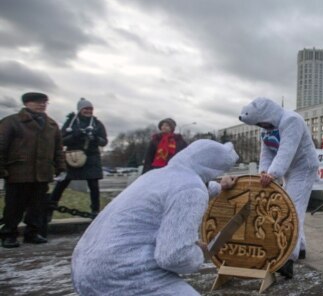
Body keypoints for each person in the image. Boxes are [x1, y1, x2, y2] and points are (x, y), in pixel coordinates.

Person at [71, 140, 239, 295]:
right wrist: (200, 253)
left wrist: (219, 187)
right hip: (120, 274)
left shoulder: (155, 176)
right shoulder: (191, 189)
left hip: (84, 266)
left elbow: (179, 191)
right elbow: (174, 257)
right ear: (214, 169)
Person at [238, 97, 319, 279]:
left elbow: (286, 151)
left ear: (268, 114)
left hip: (304, 168)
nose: (262, 126)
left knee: (291, 209)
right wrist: (264, 172)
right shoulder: (267, 129)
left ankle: (287, 258)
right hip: (290, 169)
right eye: (259, 124)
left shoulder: (291, 120)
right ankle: (301, 247)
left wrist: (273, 173)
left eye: (262, 122)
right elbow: (266, 152)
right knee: (292, 206)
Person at [0, 92, 65, 248]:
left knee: (37, 206)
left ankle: (32, 233)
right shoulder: (11, 122)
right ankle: (9, 234)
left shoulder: (51, 125)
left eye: (44, 102)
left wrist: (60, 167)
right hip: (18, 172)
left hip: (42, 173)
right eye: (37, 102)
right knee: (14, 206)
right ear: (27, 103)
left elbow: (58, 149)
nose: (42, 105)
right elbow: (1, 146)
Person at [50, 98, 108, 219]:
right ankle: (50, 207)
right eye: (86, 109)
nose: (88, 111)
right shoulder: (70, 122)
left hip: (91, 156)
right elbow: (62, 140)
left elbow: (104, 141)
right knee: (62, 183)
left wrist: (95, 139)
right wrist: (76, 135)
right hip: (73, 155)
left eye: (90, 109)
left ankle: (95, 210)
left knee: (93, 185)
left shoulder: (97, 123)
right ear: (80, 109)